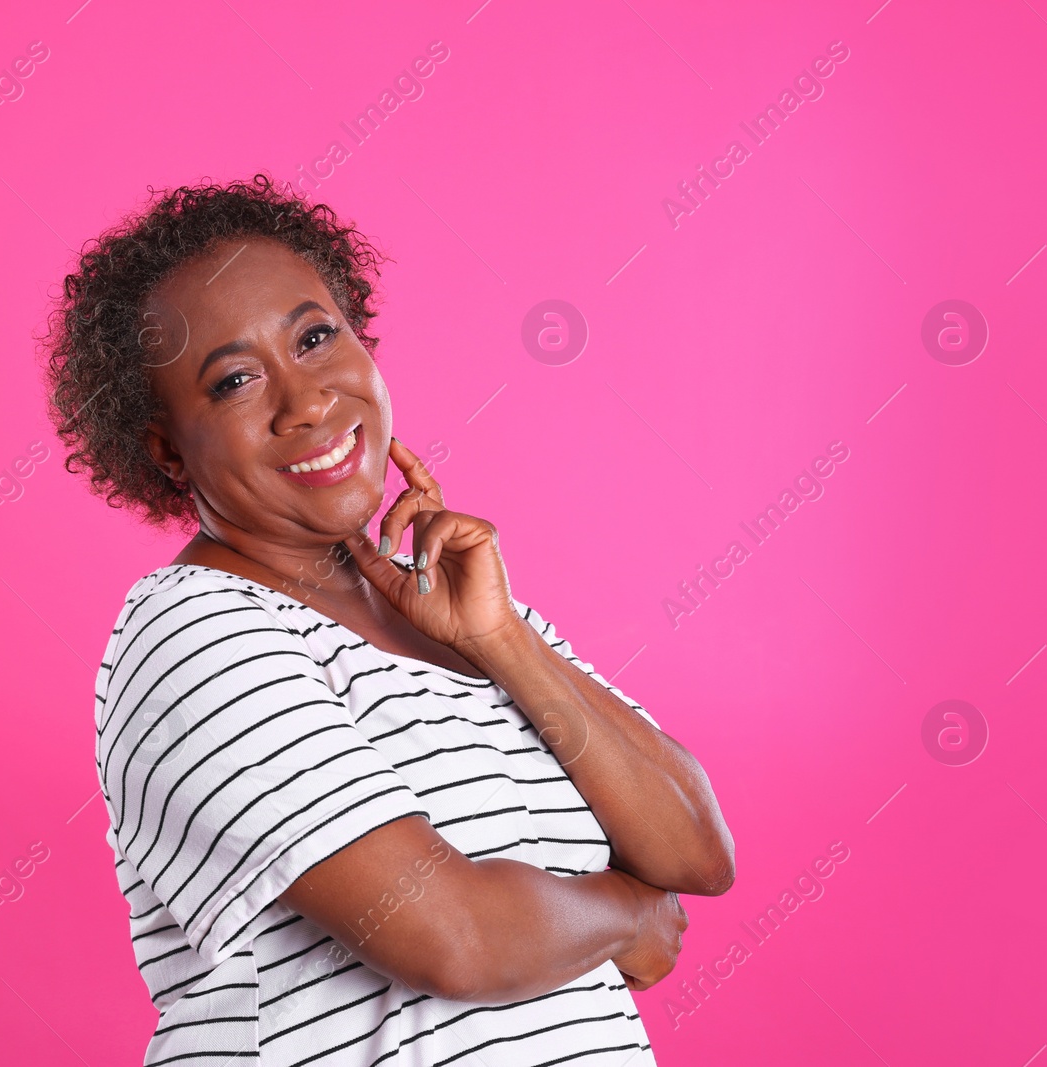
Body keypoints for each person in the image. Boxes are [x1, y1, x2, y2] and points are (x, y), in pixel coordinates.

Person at [42, 174, 735, 1065]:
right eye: (236, 380)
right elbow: (451, 937)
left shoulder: (468, 617)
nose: (306, 402)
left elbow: (696, 851)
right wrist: (623, 916)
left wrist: (502, 644)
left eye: (316, 336)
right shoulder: (194, 633)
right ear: (168, 449)